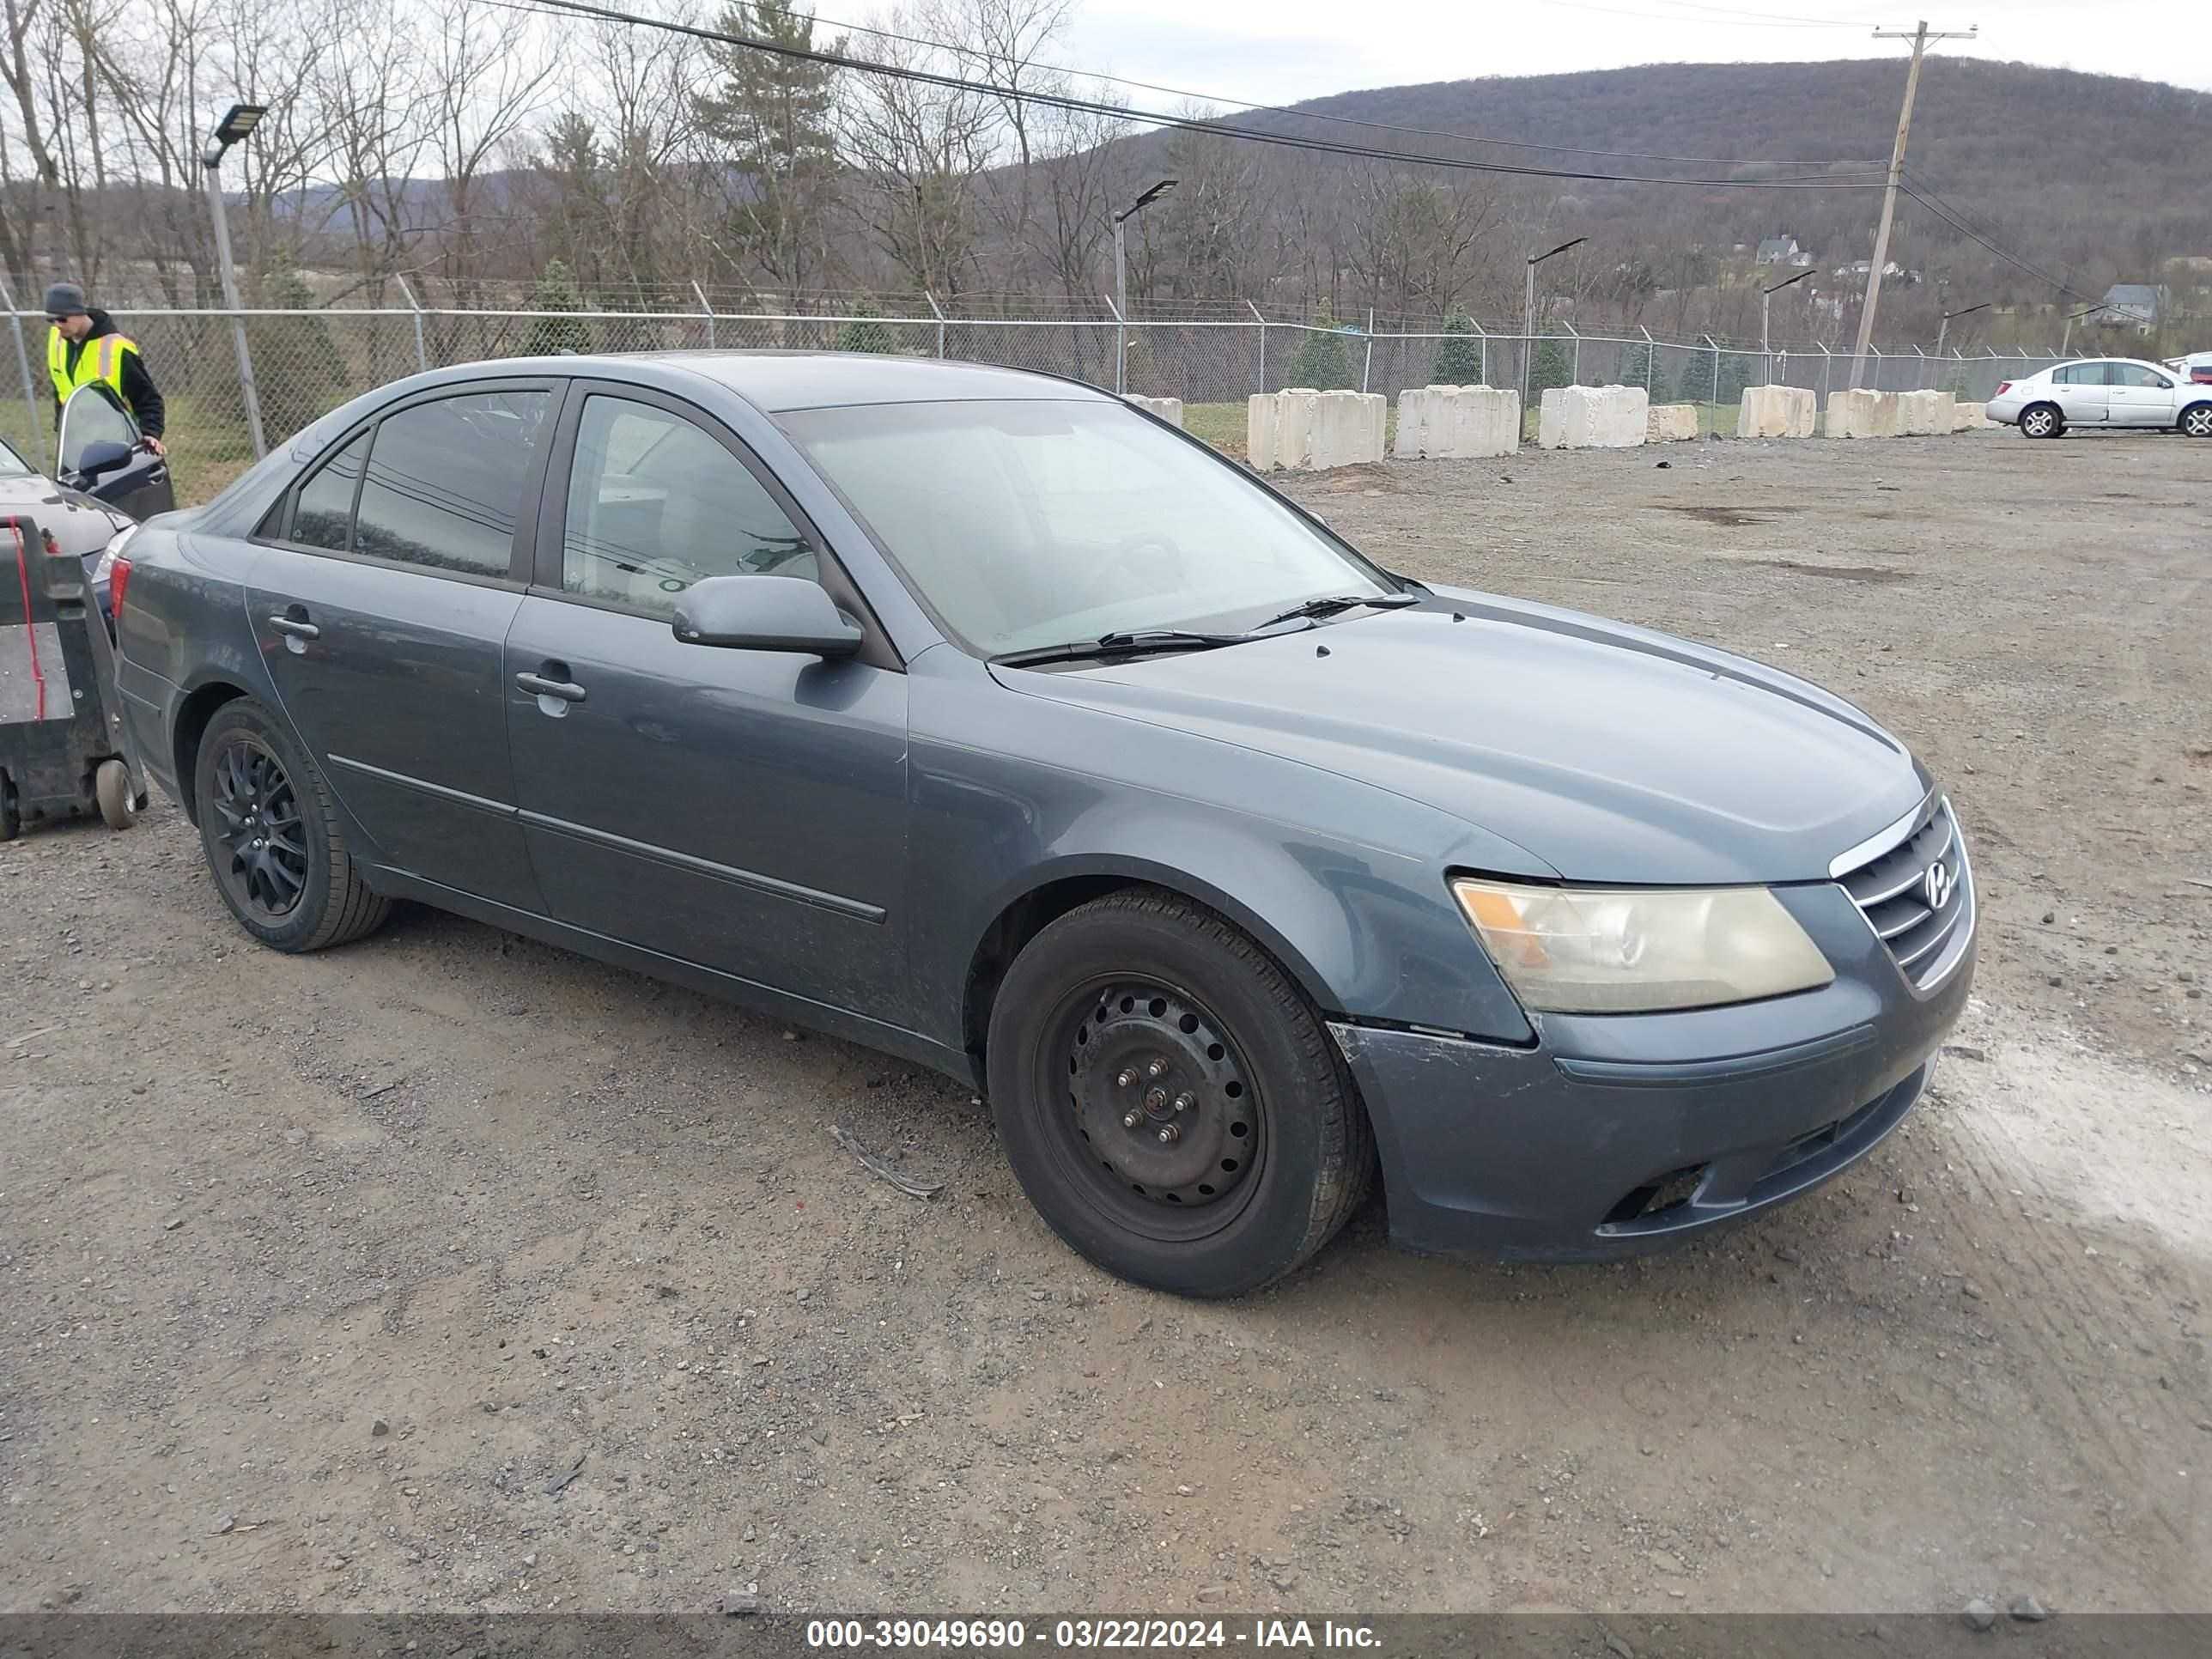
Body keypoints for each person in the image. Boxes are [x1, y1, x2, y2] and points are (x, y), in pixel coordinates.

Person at [44, 283, 165, 455]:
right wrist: (60, 429)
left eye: (62, 319)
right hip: (73, 445)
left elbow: (148, 398)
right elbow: (60, 389)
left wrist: (150, 433)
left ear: (80, 313)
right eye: (51, 319)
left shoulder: (117, 348)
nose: (57, 324)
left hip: (114, 446)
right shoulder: (56, 340)